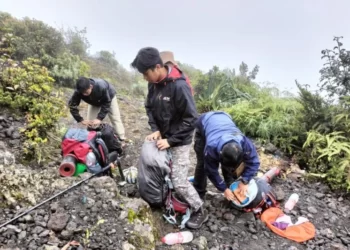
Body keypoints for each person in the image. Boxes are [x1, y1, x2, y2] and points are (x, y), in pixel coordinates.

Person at [131, 47, 208, 229]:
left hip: (180, 140)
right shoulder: (153, 84)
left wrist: (171, 141)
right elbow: (149, 107)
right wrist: (156, 129)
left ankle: (199, 209)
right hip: (163, 136)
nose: (144, 78)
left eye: (146, 73)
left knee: (180, 182)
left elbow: (192, 119)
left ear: (158, 67)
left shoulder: (179, 86)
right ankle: (167, 197)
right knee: (161, 168)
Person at [193, 111, 260, 202]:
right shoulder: (211, 148)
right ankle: (198, 193)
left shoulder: (244, 142)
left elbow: (254, 162)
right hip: (204, 122)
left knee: (232, 164)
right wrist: (223, 189)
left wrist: (245, 180)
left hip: (224, 118)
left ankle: (230, 184)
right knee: (202, 164)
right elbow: (211, 170)